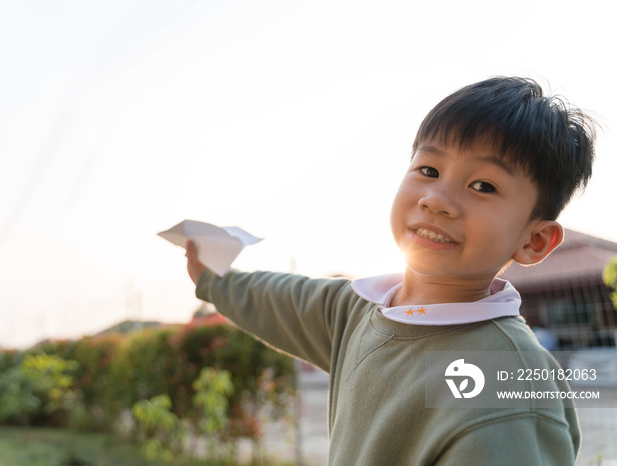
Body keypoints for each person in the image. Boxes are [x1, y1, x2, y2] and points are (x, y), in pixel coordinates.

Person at [184, 77, 597, 465]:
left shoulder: (508, 384)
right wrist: (212, 278)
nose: (437, 200)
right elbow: (279, 299)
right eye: (429, 170)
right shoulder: (358, 310)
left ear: (534, 241)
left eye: (483, 186)